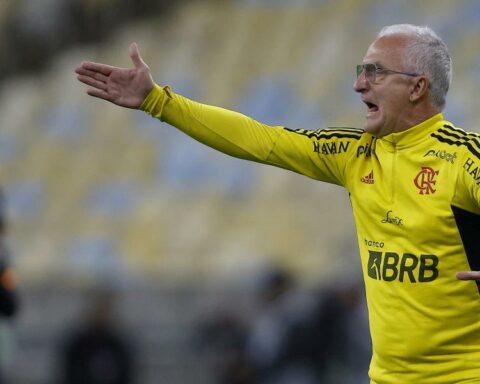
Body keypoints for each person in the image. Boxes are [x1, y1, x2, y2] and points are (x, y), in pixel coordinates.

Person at [75, 24, 480, 383]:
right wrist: (158, 102)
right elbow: (261, 140)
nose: (359, 85)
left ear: (417, 87)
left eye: (375, 72)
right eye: (362, 71)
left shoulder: (462, 158)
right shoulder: (353, 154)